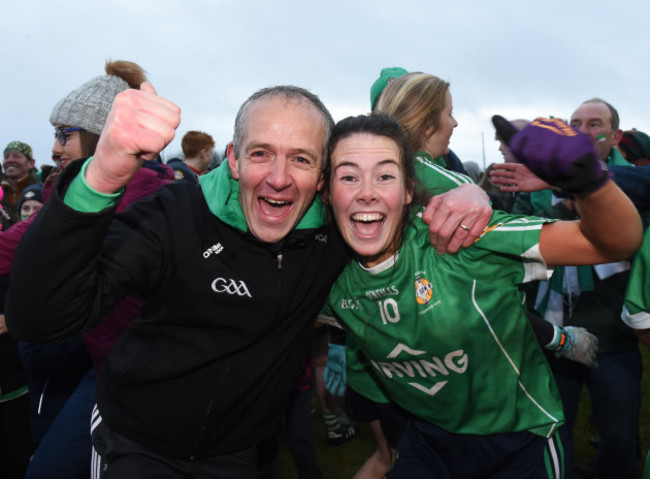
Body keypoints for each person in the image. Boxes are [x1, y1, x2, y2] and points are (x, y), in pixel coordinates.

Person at [6, 82, 493, 478]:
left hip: (241, 455)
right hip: (136, 443)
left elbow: (395, 206)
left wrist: (470, 193)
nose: (278, 178)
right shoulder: (175, 217)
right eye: (261, 153)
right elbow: (42, 316)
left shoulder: (335, 237)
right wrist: (102, 176)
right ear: (234, 159)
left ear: (321, 176)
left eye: (301, 159)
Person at [318, 112, 642, 478]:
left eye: (385, 176)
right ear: (326, 193)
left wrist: (589, 182)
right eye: (348, 177)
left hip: (518, 440)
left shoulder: (462, 237)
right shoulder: (325, 277)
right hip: (429, 439)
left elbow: (613, 243)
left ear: (409, 189)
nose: (366, 192)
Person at [492, 98, 644, 478]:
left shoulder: (632, 182)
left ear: (616, 135)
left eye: (596, 123)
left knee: (620, 437)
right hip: (557, 335)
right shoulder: (541, 181)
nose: (585, 130)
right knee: (555, 427)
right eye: (576, 122)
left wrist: (576, 178)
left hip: (615, 337)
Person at [1, 141, 41, 229]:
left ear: (31, 163)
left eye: (17, 156)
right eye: (6, 157)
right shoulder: (1, 190)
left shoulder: (42, 191)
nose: (10, 160)